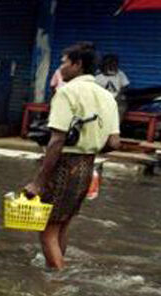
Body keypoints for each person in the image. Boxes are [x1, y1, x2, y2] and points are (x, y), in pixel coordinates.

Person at [23, 42, 120, 270]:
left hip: (64, 167)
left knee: (47, 229)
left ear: (77, 64)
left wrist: (38, 182)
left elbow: (56, 141)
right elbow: (114, 143)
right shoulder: (107, 97)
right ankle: (55, 268)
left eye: (64, 62)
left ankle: (57, 284)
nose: (61, 67)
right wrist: (89, 146)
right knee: (63, 223)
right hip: (87, 167)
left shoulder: (67, 92)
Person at [95, 54, 130, 118]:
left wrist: (119, 94)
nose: (113, 67)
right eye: (110, 65)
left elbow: (126, 86)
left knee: (121, 107)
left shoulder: (120, 74)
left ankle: (115, 126)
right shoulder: (98, 76)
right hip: (102, 100)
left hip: (117, 100)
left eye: (115, 65)